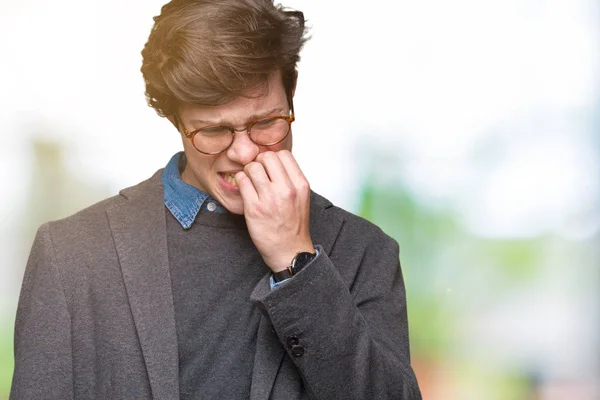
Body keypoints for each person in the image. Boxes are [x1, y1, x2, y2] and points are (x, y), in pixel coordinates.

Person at [10, 0, 422, 399]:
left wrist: (299, 266)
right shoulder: (70, 255)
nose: (244, 153)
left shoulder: (364, 251)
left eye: (265, 122)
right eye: (213, 131)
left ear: (291, 96)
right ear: (176, 120)